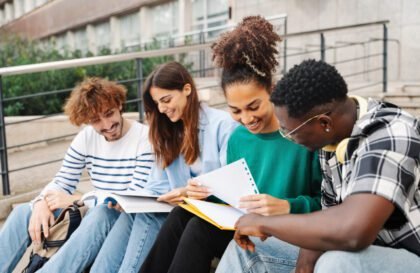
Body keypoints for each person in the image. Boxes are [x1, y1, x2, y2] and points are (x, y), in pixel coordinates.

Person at [139, 16, 322, 273]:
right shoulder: (239, 137)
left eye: (254, 106)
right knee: (182, 216)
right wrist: (203, 193)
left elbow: (327, 204)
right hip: (247, 226)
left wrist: (288, 206)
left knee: (197, 230)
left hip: (286, 232)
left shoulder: (303, 135)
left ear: (272, 89)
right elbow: (236, 195)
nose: (246, 119)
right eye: (235, 110)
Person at [217, 59, 420, 273]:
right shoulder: (330, 143)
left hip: (411, 257)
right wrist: (304, 263)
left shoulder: (390, 135)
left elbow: (354, 232)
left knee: (336, 261)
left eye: (290, 132)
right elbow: (328, 215)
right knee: (250, 248)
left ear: (324, 123)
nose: (288, 138)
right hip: (368, 253)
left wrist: (263, 223)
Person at [87, 61, 238, 273]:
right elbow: (156, 184)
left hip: (224, 216)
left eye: (166, 100)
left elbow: (233, 182)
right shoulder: (169, 133)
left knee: (191, 222)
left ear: (187, 89)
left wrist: (189, 191)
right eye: (158, 103)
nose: (161, 109)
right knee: (143, 214)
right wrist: (132, 200)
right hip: (188, 212)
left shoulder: (223, 126)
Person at [0, 77, 155, 273]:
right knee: (24, 211)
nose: (106, 124)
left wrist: (78, 199)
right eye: (96, 120)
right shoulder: (87, 137)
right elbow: (63, 179)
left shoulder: (144, 139)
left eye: (109, 114)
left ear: (119, 104)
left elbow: (129, 200)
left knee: (102, 213)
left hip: (118, 219)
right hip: (92, 211)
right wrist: (40, 202)